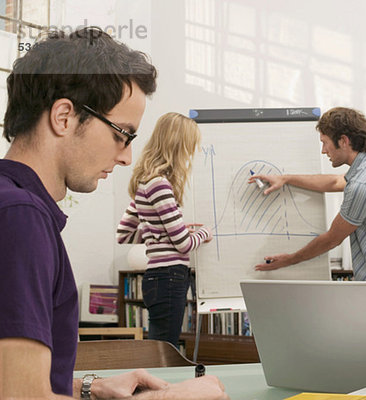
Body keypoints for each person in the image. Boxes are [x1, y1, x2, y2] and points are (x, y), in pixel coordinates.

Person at [0, 27, 228, 399]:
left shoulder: (12, 205)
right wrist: (169, 397)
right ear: (64, 117)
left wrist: (91, 386)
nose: (126, 157)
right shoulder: (21, 218)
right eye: (121, 134)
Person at [249, 107, 366, 319]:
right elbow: (336, 181)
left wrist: (289, 260)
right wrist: (286, 178)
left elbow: (332, 239)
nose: (323, 150)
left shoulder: (362, 186)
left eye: (325, 143)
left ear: (344, 141)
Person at [116, 112, 212, 347]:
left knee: (159, 346)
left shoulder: (145, 182)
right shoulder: (160, 185)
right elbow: (184, 245)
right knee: (164, 349)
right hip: (170, 276)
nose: (190, 153)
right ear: (177, 146)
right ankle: (154, 386)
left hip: (157, 277)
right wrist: (204, 233)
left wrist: (159, 233)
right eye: (189, 147)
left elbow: (124, 233)